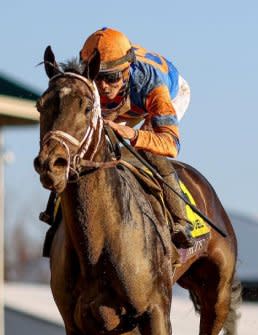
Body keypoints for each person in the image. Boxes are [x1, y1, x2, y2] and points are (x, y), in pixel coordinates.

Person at [40, 27, 195, 249]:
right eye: (98, 76)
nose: (103, 86)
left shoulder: (152, 86)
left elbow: (171, 145)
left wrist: (133, 134)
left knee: (147, 151)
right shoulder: (92, 82)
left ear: (126, 70)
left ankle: (181, 220)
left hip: (164, 94)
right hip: (123, 100)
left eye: (111, 78)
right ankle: (53, 213)